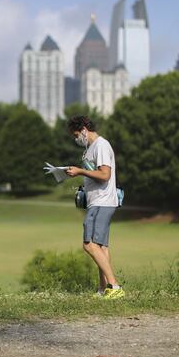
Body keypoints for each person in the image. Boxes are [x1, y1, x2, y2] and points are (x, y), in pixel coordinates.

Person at [65, 116, 124, 299]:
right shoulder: (90, 148)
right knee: (101, 247)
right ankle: (103, 288)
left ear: (84, 129)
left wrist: (80, 171)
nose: (76, 139)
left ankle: (114, 286)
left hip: (102, 201)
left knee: (89, 244)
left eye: (76, 134)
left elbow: (105, 174)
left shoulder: (101, 145)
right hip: (97, 200)